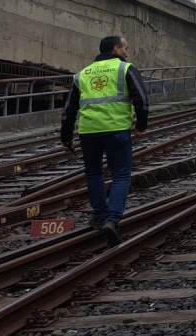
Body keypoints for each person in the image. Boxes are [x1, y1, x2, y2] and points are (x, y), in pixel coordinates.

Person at [60, 35, 149, 247]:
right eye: (125, 48)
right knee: (120, 175)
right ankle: (112, 219)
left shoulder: (82, 74)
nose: (127, 53)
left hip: (88, 131)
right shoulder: (125, 69)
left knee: (93, 173)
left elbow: (69, 109)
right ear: (116, 49)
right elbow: (142, 99)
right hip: (116, 129)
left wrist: (65, 137)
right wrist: (142, 125)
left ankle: (99, 215)